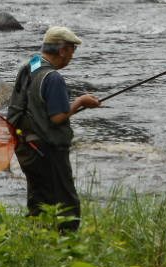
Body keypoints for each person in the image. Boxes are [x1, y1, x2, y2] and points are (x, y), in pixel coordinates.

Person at [8, 26, 100, 232]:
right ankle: (66, 248)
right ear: (62, 50)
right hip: (46, 151)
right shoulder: (54, 78)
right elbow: (57, 118)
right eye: (72, 51)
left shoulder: (31, 64)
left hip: (25, 147)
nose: (71, 57)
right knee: (66, 204)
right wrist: (81, 102)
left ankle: (37, 241)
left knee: (38, 199)